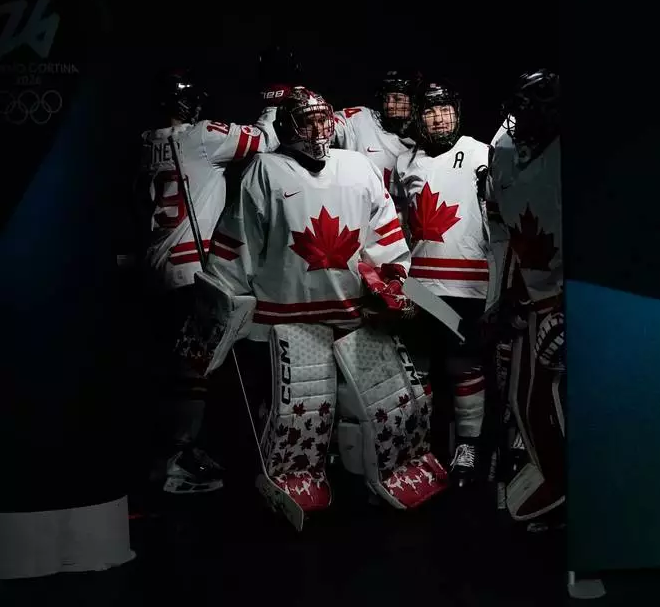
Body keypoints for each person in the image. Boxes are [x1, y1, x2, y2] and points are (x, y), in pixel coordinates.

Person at [206, 86, 447, 514]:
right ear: (287, 126)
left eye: (324, 119)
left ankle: (375, 477)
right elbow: (235, 244)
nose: (318, 130)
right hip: (287, 321)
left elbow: (386, 233)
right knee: (300, 418)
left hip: (357, 315)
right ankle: (290, 477)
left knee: (390, 411)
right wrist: (224, 309)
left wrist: (393, 281)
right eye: (307, 120)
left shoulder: (358, 167)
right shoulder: (264, 172)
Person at [137, 68, 273, 494]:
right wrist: (272, 100)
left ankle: (183, 453)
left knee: (180, 369)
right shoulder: (200, 135)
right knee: (196, 369)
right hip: (193, 269)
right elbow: (263, 139)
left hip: (157, 267)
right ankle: (178, 458)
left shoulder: (146, 142)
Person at [395, 80, 491, 487]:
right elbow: (401, 224)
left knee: (462, 364)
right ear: (420, 117)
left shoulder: (481, 154)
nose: (438, 117)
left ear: (457, 110)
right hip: (420, 285)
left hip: (468, 283)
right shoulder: (406, 163)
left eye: (445, 108)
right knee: (418, 366)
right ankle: (421, 447)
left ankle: (469, 445)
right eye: (430, 110)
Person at [485, 69, 564, 525]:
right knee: (523, 399)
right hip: (533, 291)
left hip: (566, 295)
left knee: (554, 396)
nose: (520, 120)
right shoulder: (504, 150)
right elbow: (503, 234)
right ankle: (557, 479)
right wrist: (502, 298)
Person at [333, 70, 425, 196]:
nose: (389, 105)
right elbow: (328, 127)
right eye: (386, 99)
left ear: (414, 102)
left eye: (397, 99)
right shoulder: (360, 119)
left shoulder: (423, 143)